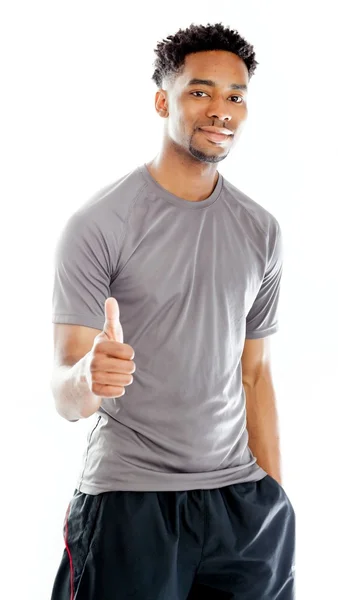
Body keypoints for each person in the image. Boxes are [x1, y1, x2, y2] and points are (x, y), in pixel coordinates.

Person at [50, 21, 295, 600]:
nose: (221, 110)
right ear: (164, 99)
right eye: (200, 91)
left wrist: (275, 501)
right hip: (130, 503)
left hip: (242, 507)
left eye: (235, 96)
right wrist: (88, 377)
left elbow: (254, 373)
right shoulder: (99, 224)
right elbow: (64, 391)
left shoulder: (261, 230)